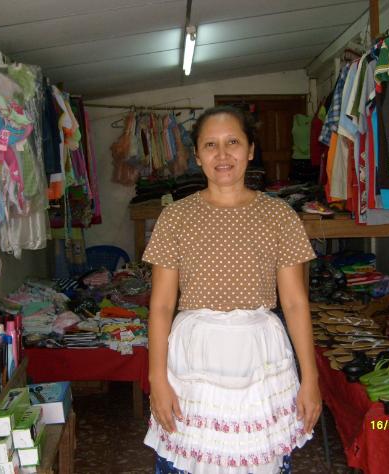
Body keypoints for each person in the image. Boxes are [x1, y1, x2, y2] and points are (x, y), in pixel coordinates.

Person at [143, 106, 322, 473]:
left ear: (251, 149)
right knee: (193, 457)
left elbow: (294, 302)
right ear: (197, 155)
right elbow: (161, 306)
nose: (222, 154)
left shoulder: (280, 216)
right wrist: (156, 378)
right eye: (210, 145)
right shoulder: (175, 217)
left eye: (233, 142)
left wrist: (311, 379)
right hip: (194, 357)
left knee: (257, 460)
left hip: (260, 356)